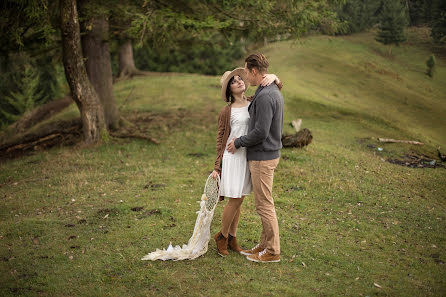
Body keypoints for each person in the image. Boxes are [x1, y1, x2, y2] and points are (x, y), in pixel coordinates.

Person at [211, 67, 282, 257]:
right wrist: (217, 166)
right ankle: (222, 237)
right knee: (234, 199)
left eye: (240, 79)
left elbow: (273, 93)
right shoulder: (226, 111)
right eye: (234, 82)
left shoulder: (253, 101)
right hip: (232, 157)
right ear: (229, 90)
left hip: (247, 155)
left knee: (240, 199)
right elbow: (220, 140)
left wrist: (275, 78)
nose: (239, 82)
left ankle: (233, 237)